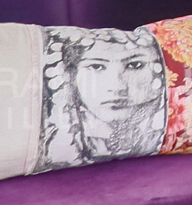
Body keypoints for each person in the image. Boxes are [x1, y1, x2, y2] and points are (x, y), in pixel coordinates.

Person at [40, 26, 167, 167]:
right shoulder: (53, 139)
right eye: (96, 66)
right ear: (70, 75)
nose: (117, 87)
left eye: (135, 65)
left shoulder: (166, 127)